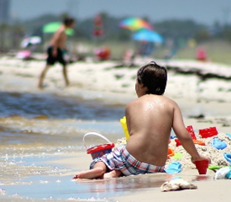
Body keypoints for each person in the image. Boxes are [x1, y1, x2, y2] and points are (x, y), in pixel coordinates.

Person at [74, 61, 210, 179]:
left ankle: (101, 169)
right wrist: (196, 156)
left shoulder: (131, 105)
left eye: (137, 82)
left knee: (106, 157)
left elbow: (131, 135)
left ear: (142, 85)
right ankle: (116, 173)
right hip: (156, 167)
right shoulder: (171, 104)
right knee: (130, 163)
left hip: (131, 159)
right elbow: (183, 135)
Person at [38, 17, 75, 89]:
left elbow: (60, 41)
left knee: (63, 65)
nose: (73, 26)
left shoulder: (63, 29)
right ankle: (40, 83)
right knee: (48, 65)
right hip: (54, 49)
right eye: (72, 24)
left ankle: (67, 82)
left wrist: (64, 47)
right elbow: (55, 40)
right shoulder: (62, 30)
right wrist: (54, 50)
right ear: (69, 24)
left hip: (57, 49)